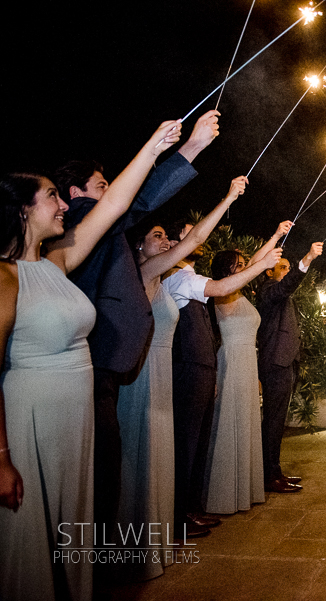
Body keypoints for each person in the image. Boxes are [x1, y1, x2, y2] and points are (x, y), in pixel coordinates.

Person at [0, 121, 183, 601]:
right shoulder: (3, 278)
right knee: (33, 534)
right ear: (22, 211)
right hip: (31, 417)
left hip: (75, 419)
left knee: (75, 523)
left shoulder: (57, 261)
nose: (64, 204)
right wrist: (0, 458)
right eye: (51, 198)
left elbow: (115, 204)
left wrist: (153, 146)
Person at [50, 110, 220, 540]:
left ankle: (97, 568)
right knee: (98, 474)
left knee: (105, 470)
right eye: (102, 185)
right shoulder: (77, 223)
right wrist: (189, 148)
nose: (111, 194)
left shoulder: (96, 231)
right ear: (77, 193)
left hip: (106, 361)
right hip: (91, 358)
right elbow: (134, 200)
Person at [115, 178, 256, 580]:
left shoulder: (165, 281)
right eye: (156, 236)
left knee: (162, 456)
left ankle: (159, 537)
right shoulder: (146, 273)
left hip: (162, 375)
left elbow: (217, 283)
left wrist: (262, 263)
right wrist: (228, 196)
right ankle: (130, 547)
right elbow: (192, 241)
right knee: (139, 457)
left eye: (165, 236)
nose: (163, 241)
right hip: (144, 374)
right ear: (139, 245)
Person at [161, 183, 283, 538]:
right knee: (187, 442)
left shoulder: (189, 277)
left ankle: (191, 507)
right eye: (188, 235)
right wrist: (265, 263)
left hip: (205, 366)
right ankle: (182, 513)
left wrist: (275, 236)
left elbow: (242, 273)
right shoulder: (179, 277)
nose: (196, 239)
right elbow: (224, 285)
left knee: (195, 442)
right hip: (190, 366)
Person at [204, 221, 291, 513]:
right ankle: (222, 494)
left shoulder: (238, 292)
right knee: (229, 423)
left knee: (246, 423)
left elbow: (255, 263)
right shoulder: (224, 292)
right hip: (231, 360)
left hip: (247, 363)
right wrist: (264, 255)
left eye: (244, 264)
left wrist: (277, 234)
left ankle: (243, 489)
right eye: (238, 265)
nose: (245, 267)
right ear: (227, 269)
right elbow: (256, 265)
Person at [256, 240, 324, 494]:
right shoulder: (268, 290)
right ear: (268, 271)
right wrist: (305, 260)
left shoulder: (278, 292)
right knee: (272, 423)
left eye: (287, 267)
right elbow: (286, 286)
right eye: (282, 267)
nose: (285, 270)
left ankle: (275, 472)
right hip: (275, 363)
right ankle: (268, 476)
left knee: (277, 422)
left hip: (285, 362)